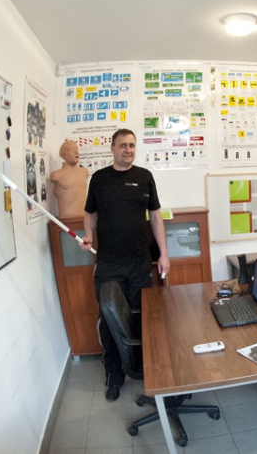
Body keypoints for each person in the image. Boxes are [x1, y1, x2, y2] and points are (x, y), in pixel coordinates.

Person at [80, 129, 171, 402]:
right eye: (122, 145)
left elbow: (156, 217)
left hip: (139, 264)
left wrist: (164, 255)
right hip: (109, 265)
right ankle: (115, 376)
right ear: (112, 148)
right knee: (109, 322)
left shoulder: (145, 177)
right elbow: (89, 213)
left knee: (142, 318)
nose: (128, 150)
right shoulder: (99, 179)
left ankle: (145, 371)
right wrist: (88, 235)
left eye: (131, 145)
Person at [49, 140, 89, 219]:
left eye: (77, 149)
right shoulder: (56, 175)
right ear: (65, 155)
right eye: (72, 150)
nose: (76, 152)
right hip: (66, 217)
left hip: (84, 218)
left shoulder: (84, 172)